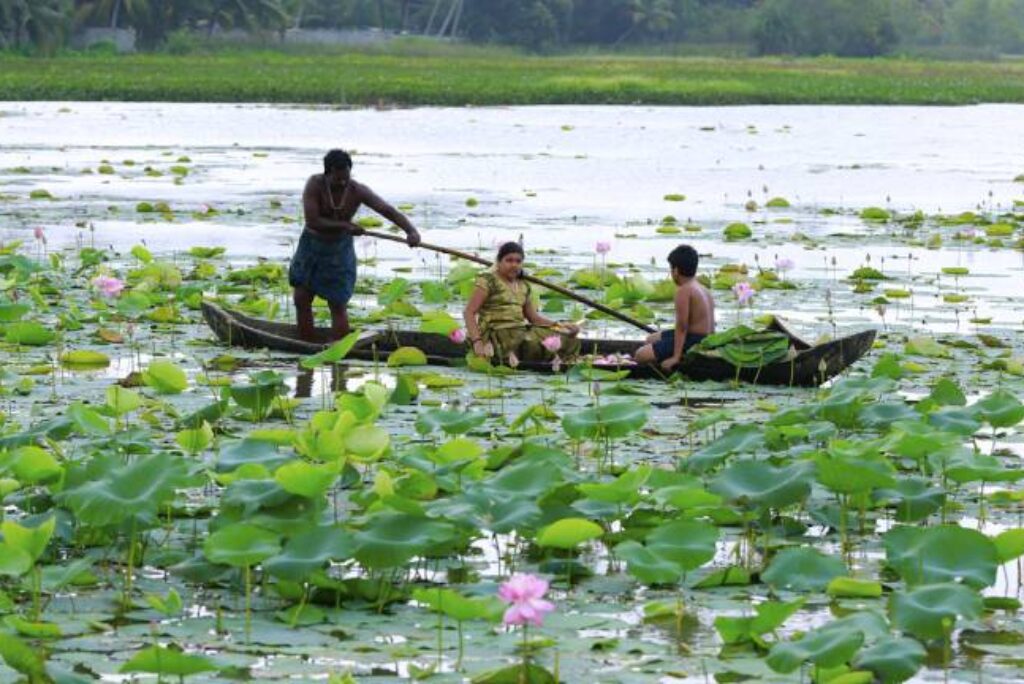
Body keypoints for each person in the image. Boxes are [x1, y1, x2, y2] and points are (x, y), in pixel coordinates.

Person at [289, 149, 421, 341]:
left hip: (338, 250)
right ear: (327, 173)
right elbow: (313, 220)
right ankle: (306, 345)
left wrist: (410, 231)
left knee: (337, 302)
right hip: (311, 246)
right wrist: (344, 225)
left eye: (346, 178)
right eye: (338, 179)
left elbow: (386, 210)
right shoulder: (315, 185)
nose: (343, 183)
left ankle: (338, 350)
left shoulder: (356, 190)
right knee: (301, 297)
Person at [464, 241, 581, 366]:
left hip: (520, 331)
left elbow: (534, 319)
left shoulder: (523, 285)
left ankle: (560, 363)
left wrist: (561, 326)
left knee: (570, 339)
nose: (514, 265)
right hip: (498, 335)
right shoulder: (488, 281)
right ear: (499, 262)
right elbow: (469, 312)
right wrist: (477, 342)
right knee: (530, 343)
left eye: (518, 261)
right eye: (509, 260)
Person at [635, 244, 715, 371]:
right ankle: (661, 357)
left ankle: (674, 359)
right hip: (707, 338)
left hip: (695, 340)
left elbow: (682, 327)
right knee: (650, 339)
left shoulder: (683, 290)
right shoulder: (702, 288)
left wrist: (675, 357)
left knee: (640, 355)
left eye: (671, 270)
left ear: (676, 271)